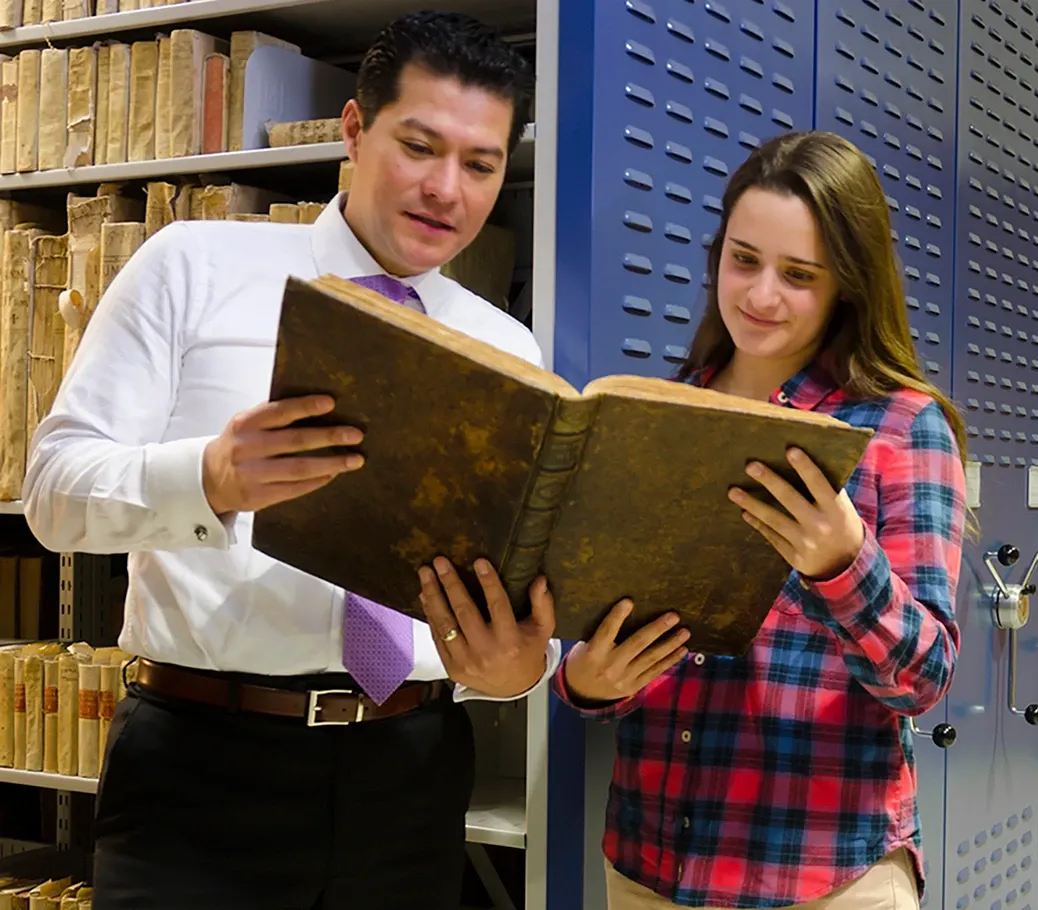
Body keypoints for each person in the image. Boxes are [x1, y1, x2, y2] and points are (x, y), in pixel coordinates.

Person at [20, 12, 675, 910]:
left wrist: (513, 667)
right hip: (203, 764)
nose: (447, 189)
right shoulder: (193, 263)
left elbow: (511, 621)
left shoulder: (505, 348)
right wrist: (207, 477)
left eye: (480, 165)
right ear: (356, 129)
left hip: (412, 768)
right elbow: (53, 495)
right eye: (419, 146)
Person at [545, 131, 968, 909]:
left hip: (824, 876)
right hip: (650, 864)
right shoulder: (664, 414)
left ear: (847, 282)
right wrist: (587, 681)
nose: (761, 295)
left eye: (798, 275)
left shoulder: (902, 429)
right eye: (743, 260)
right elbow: (613, 631)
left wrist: (843, 565)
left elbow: (924, 679)